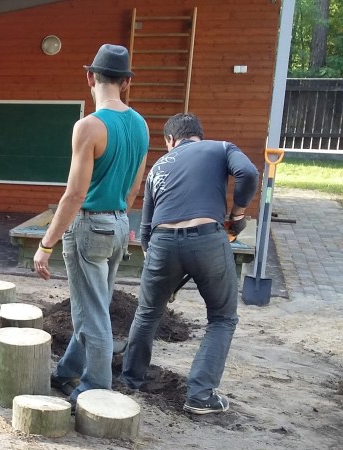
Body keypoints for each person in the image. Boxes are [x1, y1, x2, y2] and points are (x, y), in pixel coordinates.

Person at [33, 44, 149, 404]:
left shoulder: (89, 127)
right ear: (126, 83)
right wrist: (118, 218)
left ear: (89, 77)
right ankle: (68, 371)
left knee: (94, 312)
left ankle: (96, 387)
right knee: (91, 306)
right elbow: (135, 188)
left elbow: (74, 195)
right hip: (119, 224)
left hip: (89, 228)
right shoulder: (141, 125)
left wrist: (46, 243)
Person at [121, 113, 257, 414]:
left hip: (162, 243)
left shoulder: (158, 166)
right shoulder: (221, 148)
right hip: (207, 238)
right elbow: (248, 173)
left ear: (170, 140)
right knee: (222, 318)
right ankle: (200, 394)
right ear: (198, 135)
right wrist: (237, 214)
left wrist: (158, 270)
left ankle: (130, 381)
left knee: (147, 313)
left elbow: (146, 228)